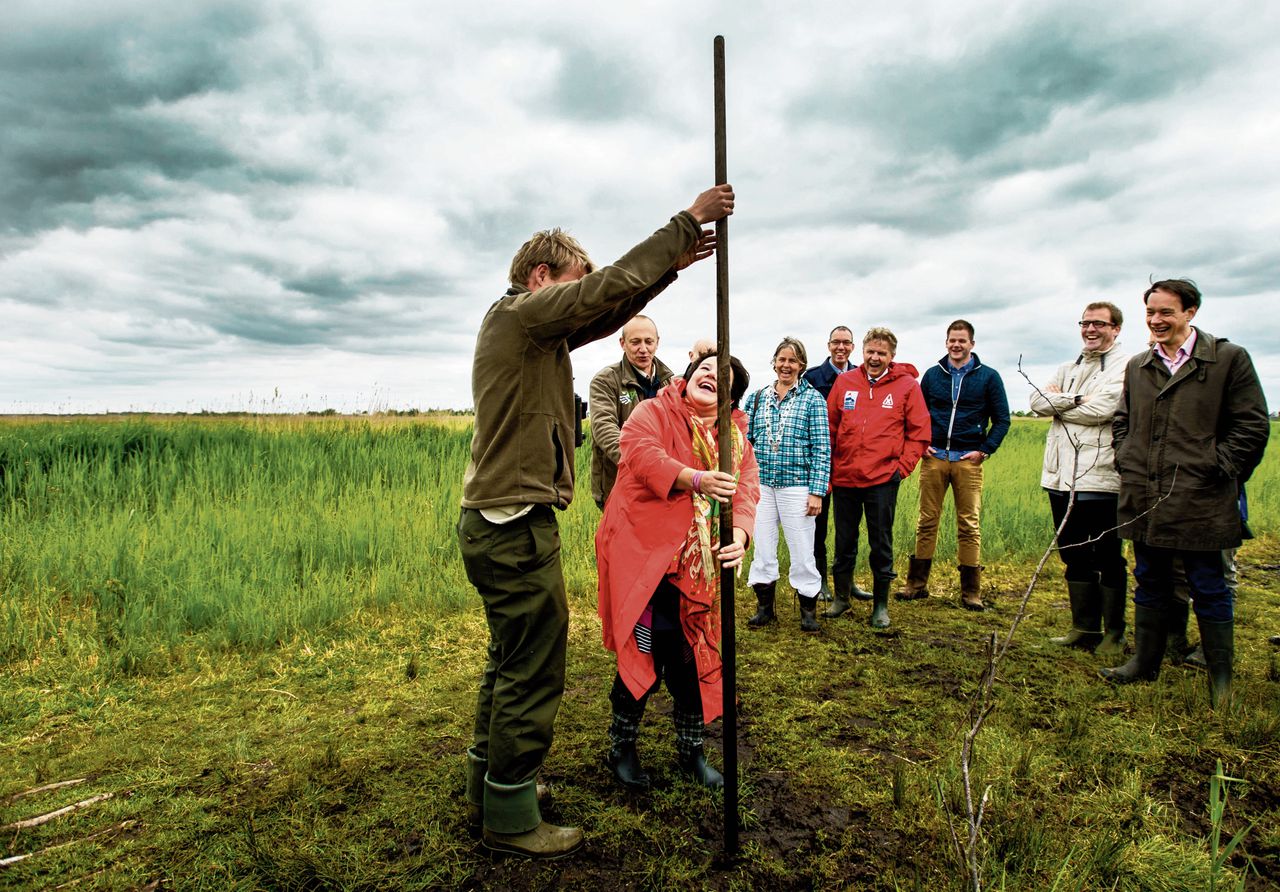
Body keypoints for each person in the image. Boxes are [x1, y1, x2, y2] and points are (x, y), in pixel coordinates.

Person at [457, 184, 734, 858]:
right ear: (541, 277)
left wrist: (671, 270)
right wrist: (685, 221)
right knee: (534, 663)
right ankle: (511, 817)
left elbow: (605, 310)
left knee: (509, 655)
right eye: (571, 283)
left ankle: (493, 783)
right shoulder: (522, 317)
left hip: (503, 519)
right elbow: (601, 291)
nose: (581, 296)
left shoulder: (528, 334)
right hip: (513, 523)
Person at [1100, 279, 1269, 707]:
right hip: (1145, 494)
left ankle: (1220, 679)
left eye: (1166, 312)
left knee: (1208, 584)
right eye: (1151, 313)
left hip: (1203, 497)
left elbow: (1251, 427)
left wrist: (1216, 469)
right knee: (1150, 579)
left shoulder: (1228, 360)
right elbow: (1123, 420)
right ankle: (1144, 662)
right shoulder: (1139, 365)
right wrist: (1128, 457)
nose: (1156, 321)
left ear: (1190, 313)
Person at [596, 352, 759, 791]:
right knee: (647, 647)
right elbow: (640, 454)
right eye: (705, 367)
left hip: (697, 571)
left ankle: (692, 750)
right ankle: (622, 746)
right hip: (643, 557)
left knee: (690, 655)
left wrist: (740, 536)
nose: (710, 374)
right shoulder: (653, 412)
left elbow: (746, 489)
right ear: (688, 376)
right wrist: (696, 478)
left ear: (730, 399)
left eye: (722, 376)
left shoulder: (735, 439)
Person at [1029, 302, 1129, 655]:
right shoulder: (1067, 366)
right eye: (1085, 323)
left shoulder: (1124, 365)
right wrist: (1075, 398)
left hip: (1098, 476)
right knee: (1072, 551)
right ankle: (1083, 627)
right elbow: (1036, 402)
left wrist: (1060, 404)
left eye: (1099, 323)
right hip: (1059, 475)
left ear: (1116, 328)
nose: (1090, 329)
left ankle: (1114, 633)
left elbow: (1105, 409)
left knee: (1107, 554)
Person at [898, 320, 1009, 611]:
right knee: (926, 520)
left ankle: (971, 591)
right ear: (946, 342)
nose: (956, 345)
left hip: (967, 461)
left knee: (969, 524)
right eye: (952, 340)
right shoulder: (933, 376)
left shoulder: (988, 377)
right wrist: (921, 444)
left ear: (972, 343)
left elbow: (1002, 419)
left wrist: (985, 450)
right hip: (934, 459)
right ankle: (916, 584)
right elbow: (917, 414)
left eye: (962, 341)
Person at [825, 327, 930, 628]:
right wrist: (830, 469)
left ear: (891, 356)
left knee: (880, 542)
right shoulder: (845, 383)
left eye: (881, 353)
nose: (874, 357)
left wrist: (901, 469)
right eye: (870, 352)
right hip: (845, 478)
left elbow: (919, 433)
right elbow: (830, 427)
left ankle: (881, 606)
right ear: (863, 352)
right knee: (844, 540)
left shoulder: (907, 386)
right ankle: (841, 598)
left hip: (882, 480)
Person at [743, 337, 831, 632]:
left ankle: (808, 612)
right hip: (763, 486)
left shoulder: (813, 399)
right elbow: (746, 442)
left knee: (803, 551)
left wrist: (817, 491)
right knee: (764, 549)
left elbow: (822, 448)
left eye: (792, 360)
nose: (786, 365)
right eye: (782, 359)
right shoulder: (757, 398)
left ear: (801, 365)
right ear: (774, 362)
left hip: (797, 486)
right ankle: (765, 609)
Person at [802, 325, 869, 602]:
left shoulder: (862, 377)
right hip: (820, 463)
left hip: (849, 464)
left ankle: (846, 581)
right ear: (828, 345)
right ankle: (820, 583)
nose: (841, 347)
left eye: (846, 343)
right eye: (836, 343)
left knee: (848, 527)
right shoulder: (813, 377)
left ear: (853, 347)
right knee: (818, 526)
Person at [589, 315, 675, 508]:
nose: (643, 349)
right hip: (619, 484)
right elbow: (604, 428)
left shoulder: (670, 383)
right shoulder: (606, 381)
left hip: (662, 484)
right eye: (635, 342)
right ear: (623, 343)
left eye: (648, 342)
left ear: (657, 342)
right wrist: (640, 464)